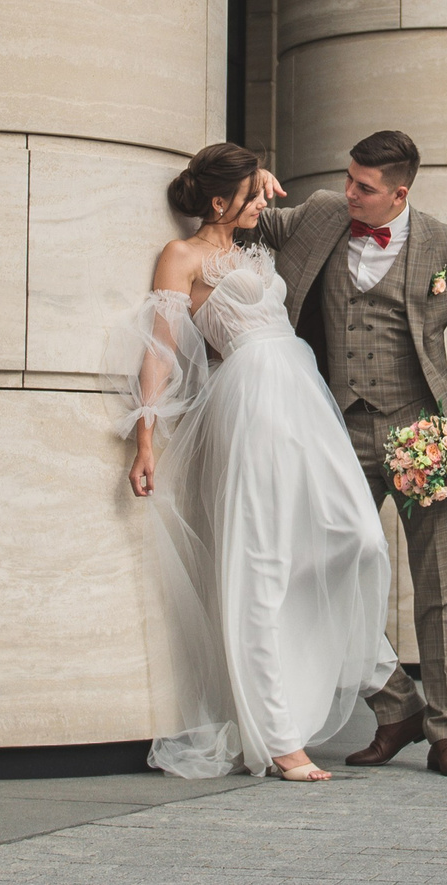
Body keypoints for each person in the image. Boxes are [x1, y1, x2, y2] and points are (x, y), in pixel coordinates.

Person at [116, 143, 395, 781]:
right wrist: (146, 438)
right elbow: (158, 349)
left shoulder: (253, 246)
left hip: (300, 391)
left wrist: (258, 176)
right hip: (250, 398)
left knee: (360, 537)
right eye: (250, 194)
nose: (265, 200)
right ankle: (278, 738)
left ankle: (333, 666)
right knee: (261, 561)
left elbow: (304, 205)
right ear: (219, 201)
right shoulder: (181, 256)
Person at [232, 129, 447, 779]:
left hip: (422, 433)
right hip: (335, 426)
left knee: (443, 586)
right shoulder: (323, 212)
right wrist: (255, 175)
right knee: (316, 569)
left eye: (365, 187)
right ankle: (395, 702)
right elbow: (240, 222)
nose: (349, 192)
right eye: (349, 178)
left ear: (399, 192)